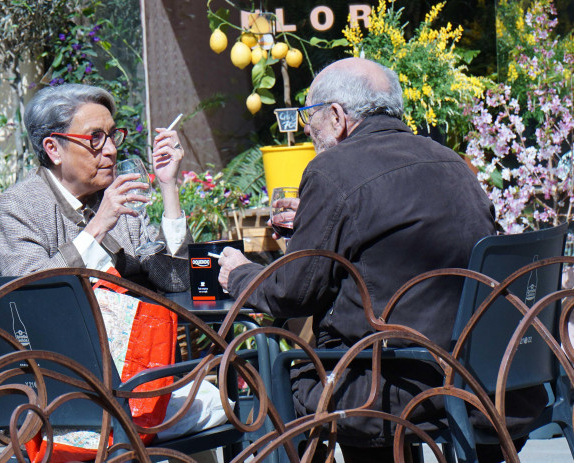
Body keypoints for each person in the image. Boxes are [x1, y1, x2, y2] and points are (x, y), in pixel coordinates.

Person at [218, 58, 542, 462]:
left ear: (336, 116)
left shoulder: (331, 169)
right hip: (483, 378)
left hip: (389, 389)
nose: (306, 128)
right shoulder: (453, 163)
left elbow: (292, 295)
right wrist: (319, 217)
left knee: (277, 361)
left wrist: (239, 273)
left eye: (310, 116)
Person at [0, 83, 191, 292]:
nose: (111, 149)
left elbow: (176, 281)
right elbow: (34, 294)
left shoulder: (117, 197)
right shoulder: (20, 206)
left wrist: (168, 185)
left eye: (112, 135)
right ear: (53, 149)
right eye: (95, 138)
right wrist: (98, 227)